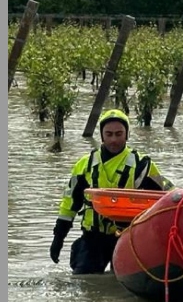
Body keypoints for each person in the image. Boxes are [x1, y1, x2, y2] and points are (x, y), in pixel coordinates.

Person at [50, 109, 174, 274]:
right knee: (86, 282)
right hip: (93, 238)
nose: (114, 139)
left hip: (127, 238)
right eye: (109, 134)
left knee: (123, 285)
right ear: (102, 136)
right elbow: (69, 205)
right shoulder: (84, 165)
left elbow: (168, 195)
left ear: (127, 135)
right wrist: (58, 239)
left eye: (119, 134)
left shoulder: (142, 164)